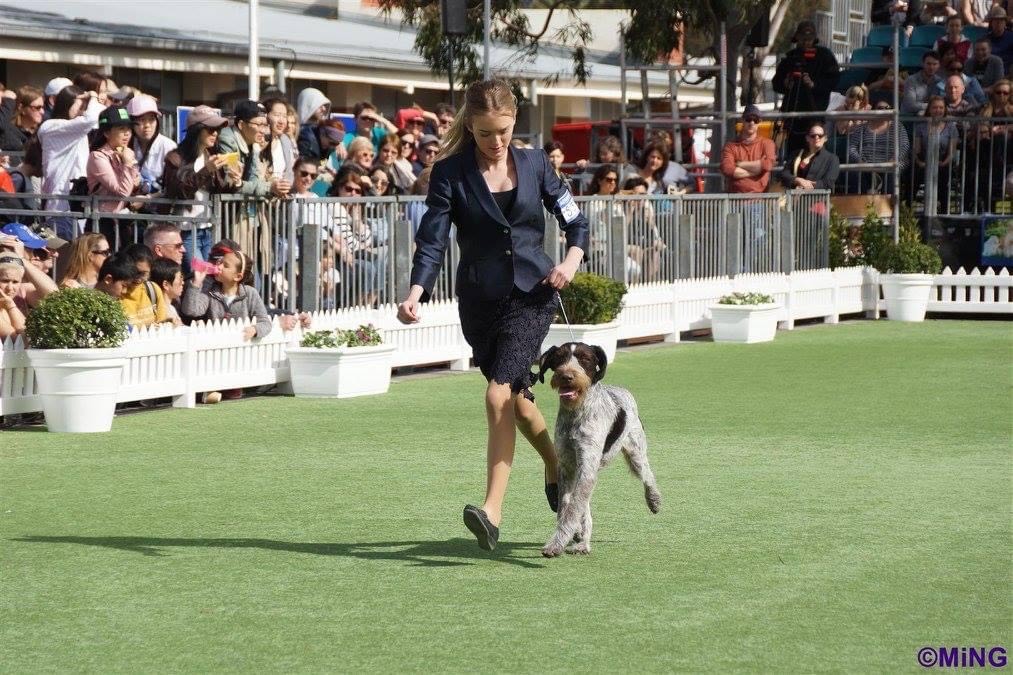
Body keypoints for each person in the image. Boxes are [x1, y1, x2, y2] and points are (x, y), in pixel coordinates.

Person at [396, 79, 589, 552]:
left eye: (502, 131)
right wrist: (416, 289)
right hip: (480, 304)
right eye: (484, 133)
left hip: (533, 295)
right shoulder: (450, 173)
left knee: (497, 393)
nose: (495, 142)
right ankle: (556, 463)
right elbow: (433, 238)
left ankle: (492, 511)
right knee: (519, 401)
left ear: (514, 122)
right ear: (470, 126)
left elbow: (576, 221)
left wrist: (569, 261)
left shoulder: (537, 163)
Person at [162, 105, 237, 266]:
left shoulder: (210, 155)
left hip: (208, 227)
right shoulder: (175, 157)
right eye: (211, 129)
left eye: (217, 130)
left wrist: (235, 181)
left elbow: (218, 190)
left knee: (208, 277)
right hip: (185, 231)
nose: (215, 134)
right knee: (198, 274)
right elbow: (179, 191)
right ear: (196, 130)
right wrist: (206, 170)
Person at [37, 86, 105, 239]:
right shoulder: (51, 126)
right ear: (65, 103)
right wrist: (93, 96)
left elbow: (101, 117)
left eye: (85, 107)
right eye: (80, 105)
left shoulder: (76, 130)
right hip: (58, 206)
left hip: (76, 202)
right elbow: (90, 119)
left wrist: (92, 101)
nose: (83, 110)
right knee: (61, 255)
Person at [772, 21, 841, 157]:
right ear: (797, 38)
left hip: (815, 111)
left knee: (815, 152)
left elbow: (834, 80)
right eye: (803, 39)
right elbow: (776, 83)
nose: (806, 43)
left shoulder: (824, 56)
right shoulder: (790, 57)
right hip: (793, 114)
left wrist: (814, 84)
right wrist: (785, 84)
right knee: (792, 154)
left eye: (809, 39)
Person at [86, 105, 141, 245]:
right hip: (102, 222)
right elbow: (123, 191)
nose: (127, 133)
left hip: (122, 220)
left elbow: (135, 184)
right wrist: (128, 164)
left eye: (129, 128)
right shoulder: (97, 156)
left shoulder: (126, 152)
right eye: (121, 129)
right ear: (106, 133)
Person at [910, 95, 959, 211]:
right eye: (935, 108)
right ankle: (907, 209)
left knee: (943, 178)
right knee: (912, 176)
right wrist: (920, 162)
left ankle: (943, 212)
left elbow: (951, 152)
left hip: (943, 163)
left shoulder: (951, 128)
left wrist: (943, 163)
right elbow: (916, 149)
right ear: (929, 110)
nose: (938, 110)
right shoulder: (920, 127)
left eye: (941, 108)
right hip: (924, 163)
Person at [127, 94, 176, 198]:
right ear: (131, 122)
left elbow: (174, 185)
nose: (147, 125)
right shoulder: (127, 145)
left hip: (159, 210)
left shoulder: (168, 147)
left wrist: (148, 199)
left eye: (151, 119)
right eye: (141, 120)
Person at [720, 105, 777, 193]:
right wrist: (757, 170)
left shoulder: (767, 143)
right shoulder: (730, 146)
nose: (752, 123)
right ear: (742, 120)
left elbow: (767, 165)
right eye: (748, 119)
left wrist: (740, 164)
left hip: (760, 199)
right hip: (735, 199)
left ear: (759, 122)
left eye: (755, 120)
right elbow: (727, 169)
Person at [780, 123, 841, 191]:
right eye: (813, 136)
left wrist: (806, 186)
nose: (816, 137)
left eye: (820, 135)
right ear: (807, 138)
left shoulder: (832, 159)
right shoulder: (795, 154)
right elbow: (784, 174)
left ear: (825, 138)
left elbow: (828, 182)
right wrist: (798, 180)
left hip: (818, 198)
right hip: (794, 197)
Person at [0, 85, 44, 152]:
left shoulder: (42, 132)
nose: (42, 112)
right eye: (37, 108)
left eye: (43, 107)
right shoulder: (8, 134)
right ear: (21, 108)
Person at [296, 87, 332, 162]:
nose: (324, 109)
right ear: (308, 104)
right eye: (319, 105)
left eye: (324, 105)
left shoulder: (322, 129)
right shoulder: (299, 132)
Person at [149, 257, 184, 325]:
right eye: (180, 278)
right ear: (166, 284)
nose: (182, 283)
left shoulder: (171, 308)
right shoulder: (161, 312)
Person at [0, 252, 26, 339]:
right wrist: (11, 306)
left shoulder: (9, 305)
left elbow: (30, 337)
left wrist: (10, 306)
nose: (10, 288)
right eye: (5, 281)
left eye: (15, 282)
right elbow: (23, 342)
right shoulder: (10, 305)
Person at [985, 6, 1013, 72]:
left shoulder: (1012, 37)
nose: (999, 23)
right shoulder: (986, 40)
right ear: (991, 23)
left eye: (1001, 20)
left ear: (1005, 23)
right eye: (996, 20)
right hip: (991, 73)